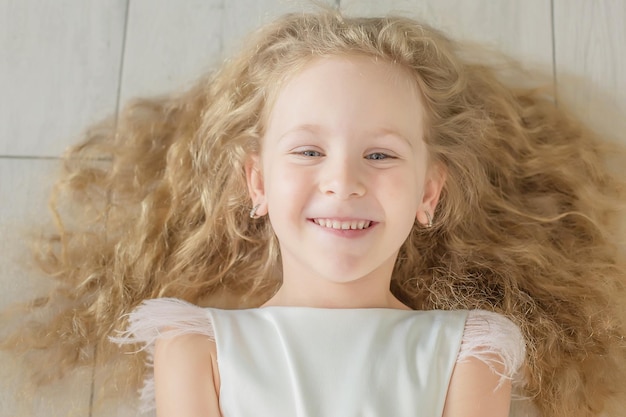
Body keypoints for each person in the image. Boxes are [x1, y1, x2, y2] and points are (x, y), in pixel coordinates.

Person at [3, 8, 625, 417]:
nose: (343, 181)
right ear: (258, 183)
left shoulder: (469, 351)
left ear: (429, 194)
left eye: (380, 154)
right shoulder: (196, 347)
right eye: (308, 151)